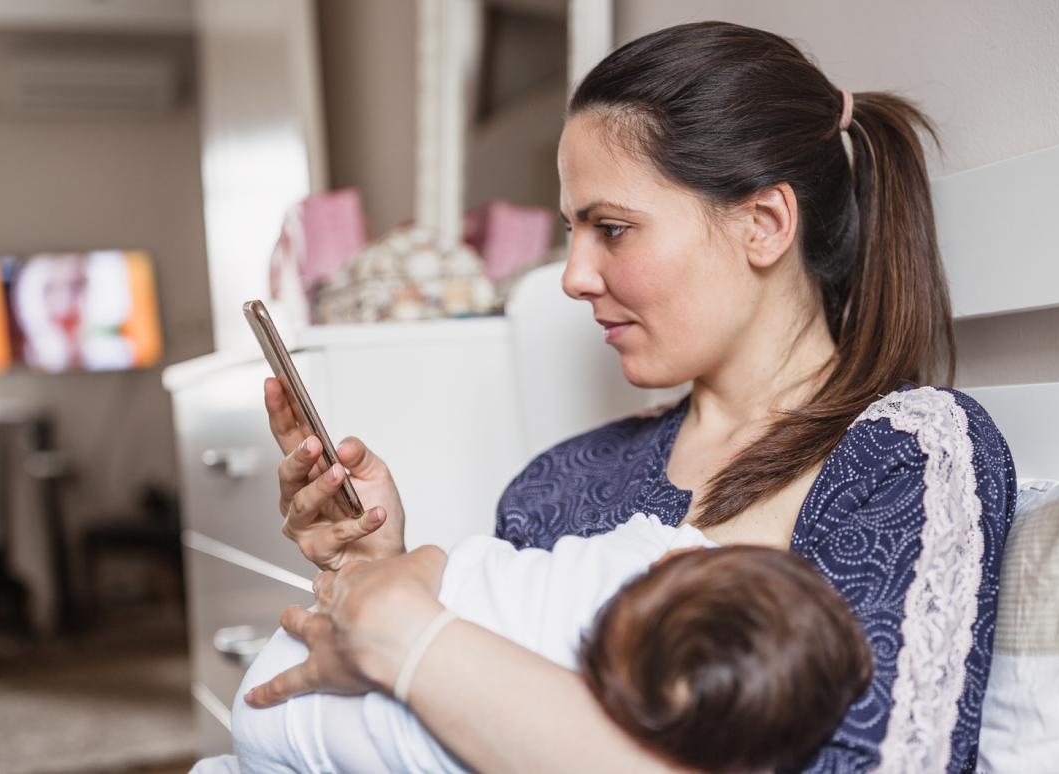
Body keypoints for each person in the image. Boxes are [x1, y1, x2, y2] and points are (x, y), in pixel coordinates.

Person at [248, 20, 1016, 774]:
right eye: (571, 231)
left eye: (612, 228)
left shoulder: (902, 456)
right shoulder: (560, 483)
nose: (573, 276)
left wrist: (410, 638)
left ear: (764, 223)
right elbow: (458, 728)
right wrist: (383, 574)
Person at [225, 517, 873, 774]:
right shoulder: (645, 551)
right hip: (297, 697)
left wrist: (401, 595)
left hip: (286, 715)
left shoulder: (669, 551)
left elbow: (436, 568)